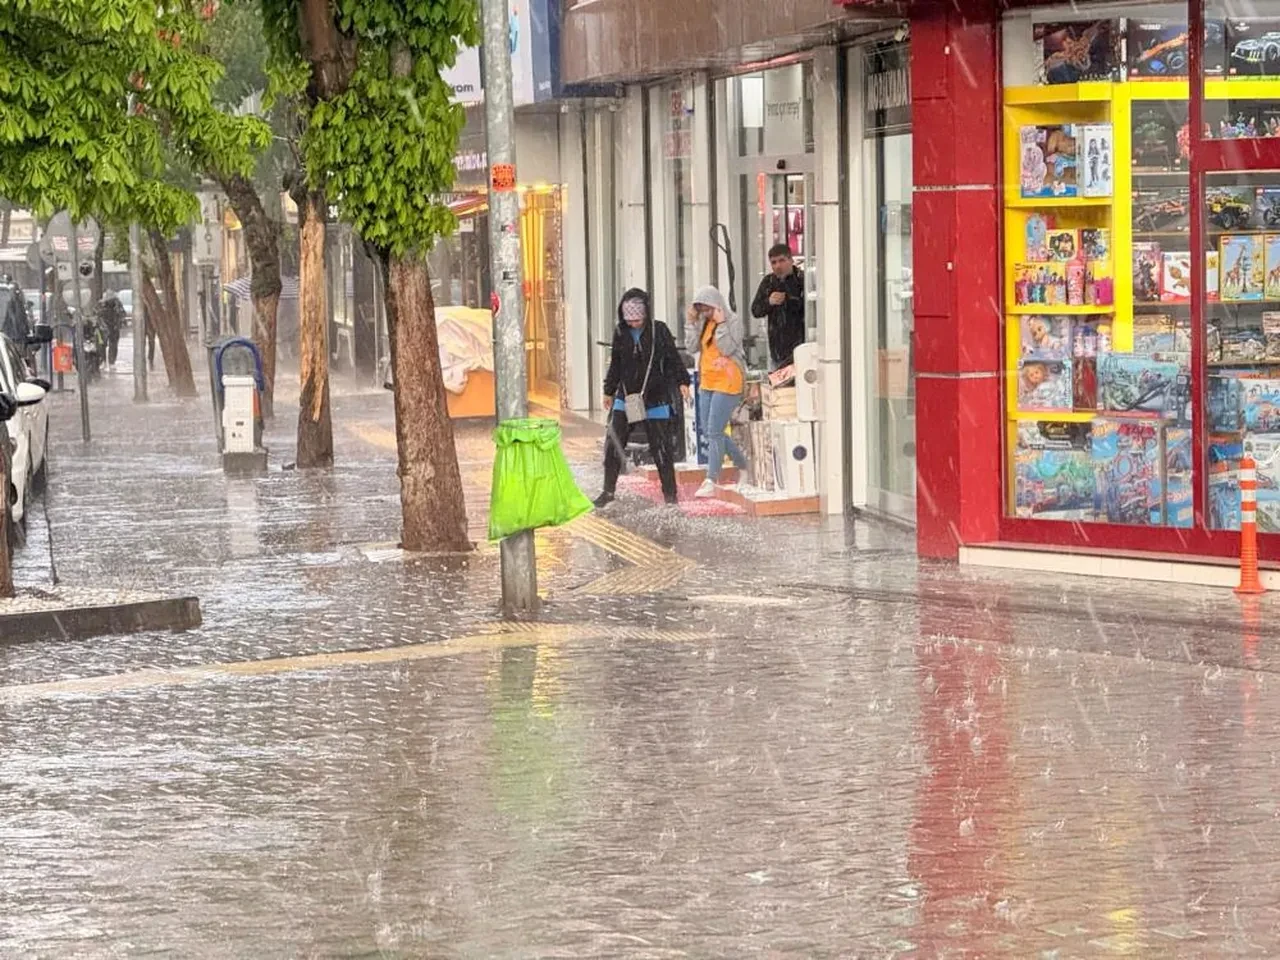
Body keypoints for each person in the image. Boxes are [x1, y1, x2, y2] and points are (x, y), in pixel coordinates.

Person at [595, 288, 690, 508]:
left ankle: (670, 496)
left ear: (646, 314)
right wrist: (608, 390)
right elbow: (616, 364)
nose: (634, 324)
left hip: (655, 397)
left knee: (661, 449)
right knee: (614, 444)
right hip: (626, 396)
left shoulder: (659, 331)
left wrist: (682, 380)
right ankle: (608, 491)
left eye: (638, 319)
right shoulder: (621, 332)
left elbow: (673, 358)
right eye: (630, 320)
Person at [688, 285, 748, 499]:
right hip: (708, 381)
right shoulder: (704, 323)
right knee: (711, 429)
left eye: (707, 308)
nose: (706, 313)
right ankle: (743, 466)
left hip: (728, 380)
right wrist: (692, 323)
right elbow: (692, 347)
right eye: (701, 309)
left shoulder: (732, 321)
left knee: (715, 430)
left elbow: (727, 348)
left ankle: (711, 478)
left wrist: (722, 323)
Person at [750, 243, 806, 368]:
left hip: (801, 348)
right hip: (777, 351)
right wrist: (768, 302)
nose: (778, 266)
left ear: (791, 260)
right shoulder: (768, 282)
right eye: (774, 262)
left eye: (782, 260)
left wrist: (788, 300)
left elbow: (809, 309)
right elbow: (755, 310)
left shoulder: (802, 280)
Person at [95, 292, 125, 368]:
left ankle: (111, 362)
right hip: (103, 328)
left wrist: (118, 323)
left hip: (113, 327)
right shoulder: (101, 304)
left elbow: (122, 314)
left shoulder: (117, 304)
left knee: (113, 345)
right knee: (101, 345)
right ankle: (103, 361)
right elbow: (97, 314)